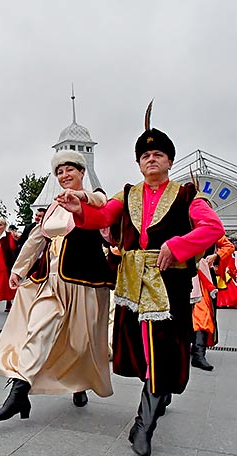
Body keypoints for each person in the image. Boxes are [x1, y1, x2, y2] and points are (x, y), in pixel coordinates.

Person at [56, 102, 224, 456]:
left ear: (169, 161)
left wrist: (179, 245)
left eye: (158, 154)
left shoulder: (187, 195)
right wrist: (80, 211)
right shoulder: (128, 192)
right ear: (138, 162)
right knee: (143, 352)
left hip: (170, 286)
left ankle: (142, 425)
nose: (151, 159)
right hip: (132, 286)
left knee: (162, 351)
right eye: (146, 155)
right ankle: (158, 397)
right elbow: (102, 216)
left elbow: (213, 228)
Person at [0, 150, 114, 422]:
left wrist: (81, 197)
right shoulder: (55, 207)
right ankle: (18, 393)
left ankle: (79, 385)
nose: (64, 175)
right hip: (52, 281)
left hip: (85, 282)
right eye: (59, 171)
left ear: (82, 172)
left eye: (70, 170)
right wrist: (18, 270)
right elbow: (37, 239)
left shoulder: (96, 198)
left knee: (81, 342)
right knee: (38, 329)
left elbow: (102, 203)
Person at [190, 235, 234, 371]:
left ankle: (199, 353)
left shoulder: (209, 225)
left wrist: (215, 257)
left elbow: (228, 246)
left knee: (201, 314)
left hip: (203, 278)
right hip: (179, 274)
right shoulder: (176, 221)